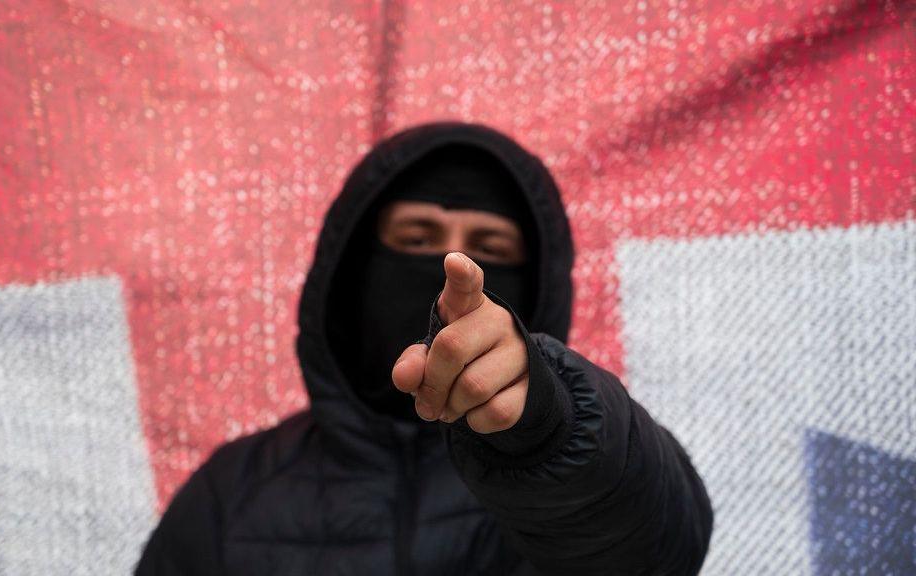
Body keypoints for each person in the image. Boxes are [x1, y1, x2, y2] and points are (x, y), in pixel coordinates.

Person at [135, 121, 713, 575]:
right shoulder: (231, 492)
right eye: (417, 238)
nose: (451, 267)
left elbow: (659, 548)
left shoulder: (586, 451)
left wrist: (550, 434)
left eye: (489, 245)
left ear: (536, 286)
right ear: (355, 269)